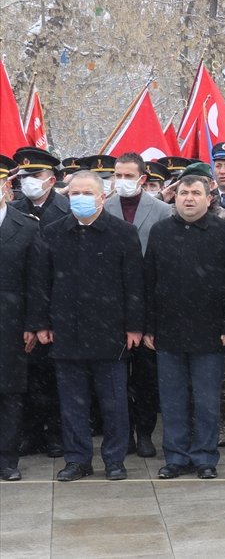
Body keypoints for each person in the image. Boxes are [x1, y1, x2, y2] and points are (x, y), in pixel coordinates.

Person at [33, 171, 144, 482]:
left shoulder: (122, 233)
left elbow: (134, 284)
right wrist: (41, 322)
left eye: (86, 193)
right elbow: (41, 282)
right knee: (72, 405)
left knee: (114, 403)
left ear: (102, 196)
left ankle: (114, 460)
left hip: (110, 333)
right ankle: (77, 459)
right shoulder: (53, 232)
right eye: (74, 193)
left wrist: (135, 326)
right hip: (66, 332)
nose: (79, 198)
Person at [143, 175, 225, 480]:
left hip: (210, 331)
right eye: (183, 193)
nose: (188, 198)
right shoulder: (160, 232)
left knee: (206, 400)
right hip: (169, 331)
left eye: (195, 193)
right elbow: (149, 283)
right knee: (172, 400)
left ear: (208, 198)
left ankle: (204, 457)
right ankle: (175, 457)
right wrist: (148, 327)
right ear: (175, 197)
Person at [104, 152, 173, 459]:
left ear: (143, 179)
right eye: (117, 175)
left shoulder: (161, 211)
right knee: (115, 378)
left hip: (147, 301)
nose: (121, 181)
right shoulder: (103, 208)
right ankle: (122, 433)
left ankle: (144, 432)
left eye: (128, 176)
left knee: (145, 376)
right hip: (110, 303)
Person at [11, 147, 67, 459]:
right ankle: (30, 434)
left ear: (52, 179)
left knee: (56, 379)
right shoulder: (15, 209)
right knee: (28, 379)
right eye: (24, 176)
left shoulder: (68, 209)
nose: (30, 181)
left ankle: (56, 434)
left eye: (36, 175)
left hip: (59, 305)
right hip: (23, 306)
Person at [0, 155, 45, 481]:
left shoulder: (27, 227)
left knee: (10, 393)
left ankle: (7, 458)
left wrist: (33, 323)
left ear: (7, 190)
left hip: (11, 324)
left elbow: (37, 283)